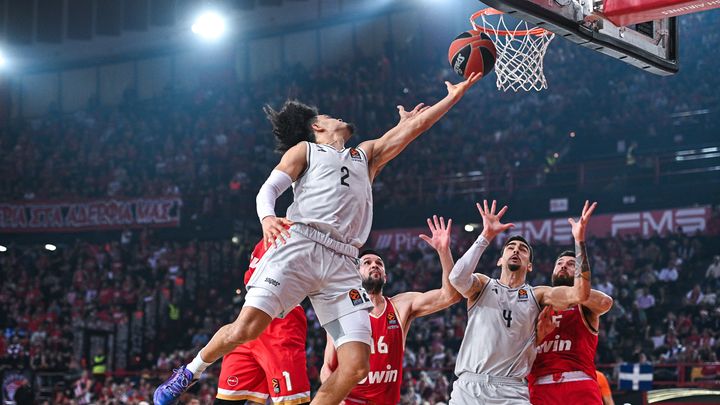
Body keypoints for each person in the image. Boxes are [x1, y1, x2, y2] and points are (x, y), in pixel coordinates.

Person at [154, 73, 482, 405]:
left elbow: (414, 128)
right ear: (317, 128)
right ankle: (189, 372)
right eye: (328, 117)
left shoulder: (364, 155)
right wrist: (268, 216)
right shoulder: (306, 151)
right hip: (301, 246)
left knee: (356, 366)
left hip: (342, 260)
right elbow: (269, 188)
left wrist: (453, 97)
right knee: (246, 328)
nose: (338, 116)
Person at [447, 200, 598, 404]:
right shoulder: (482, 285)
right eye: (510, 247)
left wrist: (579, 240)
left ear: (530, 266)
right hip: (469, 387)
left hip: (512, 390)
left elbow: (580, 294)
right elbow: (456, 278)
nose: (516, 250)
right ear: (500, 260)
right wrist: (485, 236)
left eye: (523, 249)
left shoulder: (538, 295)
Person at [320, 215, 461, 404]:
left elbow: (449, 296)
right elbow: (327, 367)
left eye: (379, 263)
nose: (374, 265)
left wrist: (444, 252)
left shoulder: (400, 305)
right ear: (355, 274)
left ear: (385, 277)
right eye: (367, 263)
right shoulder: (343, 312)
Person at [216, 237, 310, 404]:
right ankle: (191, 370)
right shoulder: (265, 237)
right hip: (250, 313)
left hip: (282, 317)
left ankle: (192, 370)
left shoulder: (306, 236)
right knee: (226, 399)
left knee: (291, 401)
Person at [527, 247, 614, 404]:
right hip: (540, 386)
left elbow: (605, 302)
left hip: (579, 383)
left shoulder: (584, 306)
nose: (563, 266)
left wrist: (575, 293)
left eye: (571, 264)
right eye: (559, 263)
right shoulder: (536, 304)